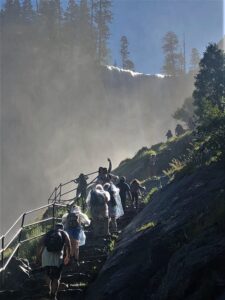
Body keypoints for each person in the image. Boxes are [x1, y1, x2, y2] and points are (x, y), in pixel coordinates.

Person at [37, 223, 71, 300]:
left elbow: (39, 244)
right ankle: (53, 295)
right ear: (62, 228)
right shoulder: (63, 232)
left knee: (47, 274)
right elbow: (68, 244)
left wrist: (38, 257)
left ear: (54, 227)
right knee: (56, 278)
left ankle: (49, 289)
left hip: (46, 256)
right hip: (58, 256)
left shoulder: (49, 233)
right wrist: (68, 256)